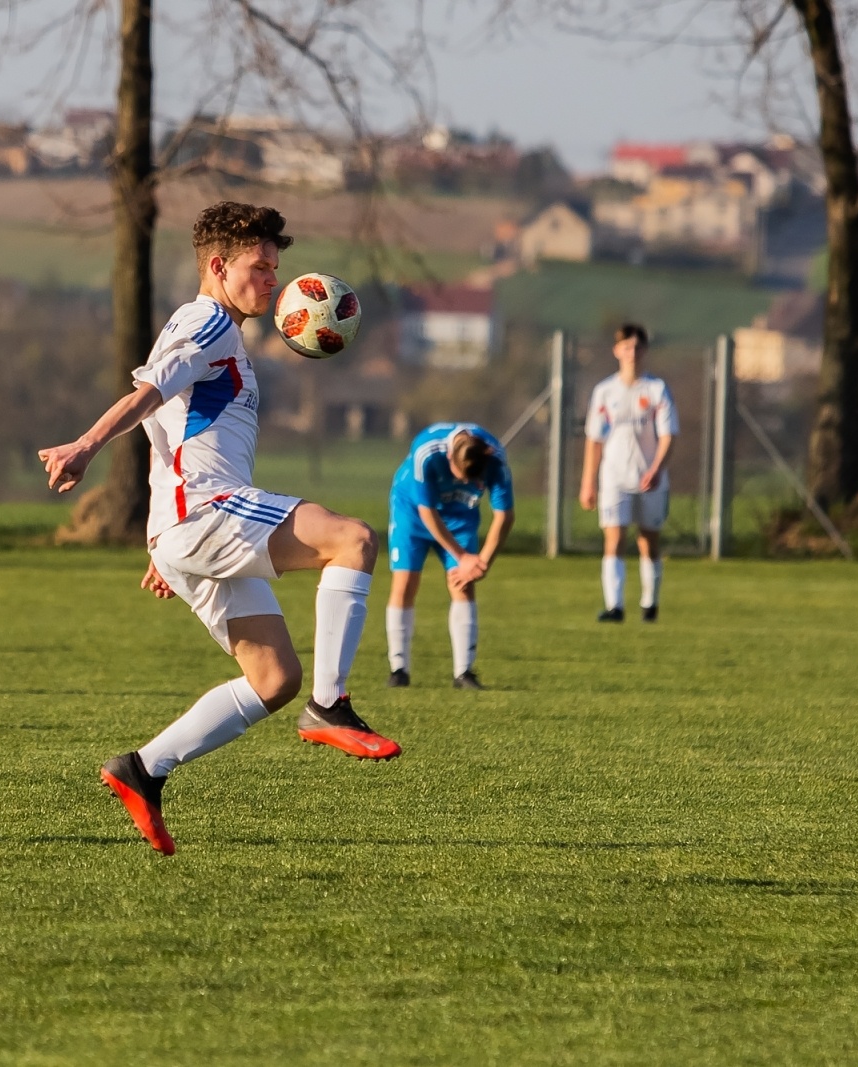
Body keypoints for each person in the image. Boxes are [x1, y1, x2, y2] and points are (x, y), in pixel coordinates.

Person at [38, 201, 399, 856]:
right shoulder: (205, 322)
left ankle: (143, 769)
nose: (271, 281)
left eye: (274, 268)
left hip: (187, 529)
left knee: (272, 680)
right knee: (353, 539)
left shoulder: (213, 331)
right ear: (216, 266)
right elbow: (148, 398)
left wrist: (165, 545)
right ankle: (330, 705)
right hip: (208, 510)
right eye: (259, 267)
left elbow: (164, 434)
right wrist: (86, 445)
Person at [384, 423, 514, 690]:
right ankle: (399, 669)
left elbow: (505, 515)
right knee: (405, 584)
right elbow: (427, 512)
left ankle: (464, 672)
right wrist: (462, 555)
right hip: (413, 512)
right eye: (460, 475)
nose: (465, 483)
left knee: (463, 586)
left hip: (460, 516)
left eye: (472, 480)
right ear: (448, 458)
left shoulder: (495, 459)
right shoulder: (426, 451)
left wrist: (481, 564)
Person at [579, 323, 677, 623]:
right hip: (614, 478)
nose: (632, 353)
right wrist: (588, 482)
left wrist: (657, 468)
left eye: (637, 347)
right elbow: (594, 440)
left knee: (648, 540)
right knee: (614, 538)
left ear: (644, 351)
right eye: (626, 347)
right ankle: (615, 607)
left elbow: (668, 435)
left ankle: (650, 605)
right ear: (616, 351)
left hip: (650, 479)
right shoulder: (605, 392)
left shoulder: (656, 389)